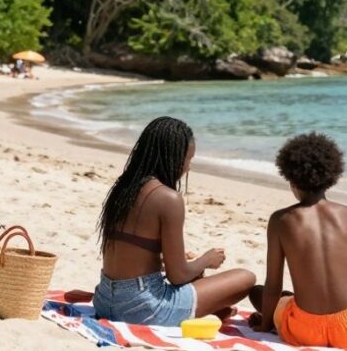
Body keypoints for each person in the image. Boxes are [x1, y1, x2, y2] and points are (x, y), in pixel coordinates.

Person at [94, 117, 255, 327]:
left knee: (195, 272)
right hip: (143, 308)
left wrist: (175, 262)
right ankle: (208, 310)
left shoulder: (123, 188)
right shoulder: (168, 198)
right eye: (188, 159)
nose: (188, 167)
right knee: (246, 278)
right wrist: (207, 259)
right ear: (173, 158)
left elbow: (131, 255)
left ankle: (214, 309)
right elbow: (178, 276)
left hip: (104, 300)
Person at [250, 133, 347, 348]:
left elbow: (273, 285)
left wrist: (265, 326)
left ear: (292, 179)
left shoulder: (280, 220)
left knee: (257, 292)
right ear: (330, 177)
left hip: (303, 331)